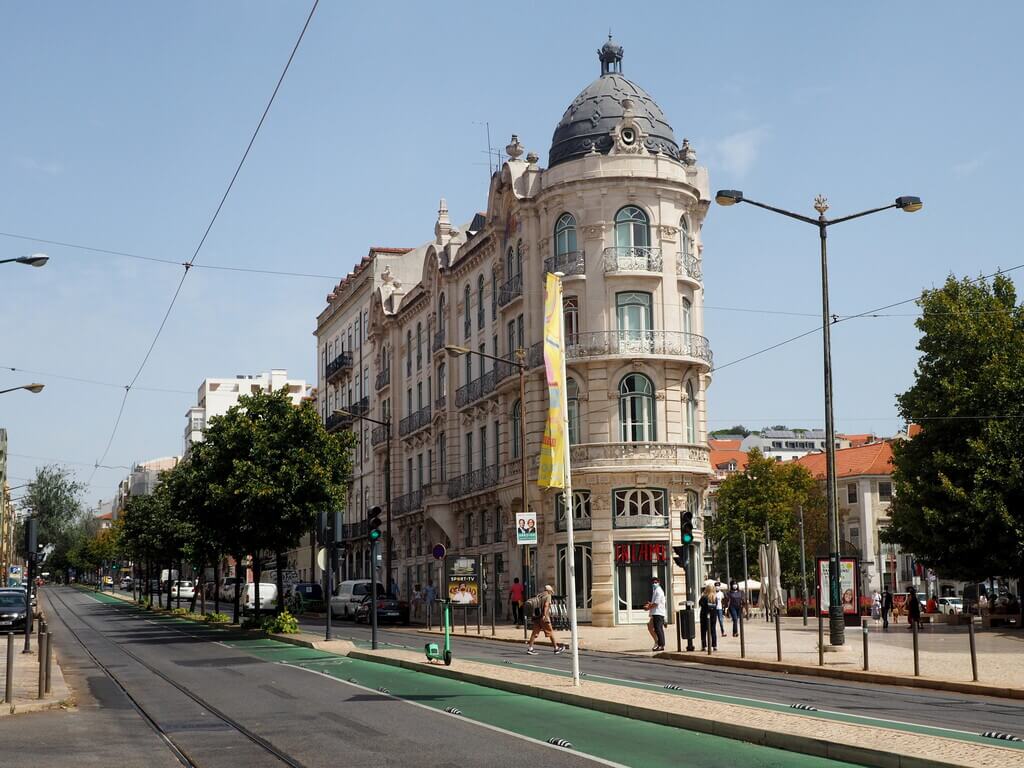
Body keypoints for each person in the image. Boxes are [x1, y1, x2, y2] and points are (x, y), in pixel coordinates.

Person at [525, 584, 564, 656]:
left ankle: (530, 648)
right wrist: (544, 615)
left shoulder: (540, 595)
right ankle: (556, 648)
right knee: (550, 632)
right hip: (543, 617)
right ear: (549, 591)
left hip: (536, 617)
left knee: (534, 633)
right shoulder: (548, 596)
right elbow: (546, 605)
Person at [644, 576, 667, 651]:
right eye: (653, 582)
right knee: (650, 627)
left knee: (658, 629)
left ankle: (661, 644)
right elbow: (655, 603)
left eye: (656, 582)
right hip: (655, 612)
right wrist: (650, 604)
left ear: (659, 583)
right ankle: (657, 642)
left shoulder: (659, 591)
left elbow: (656, 603)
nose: (654, 584)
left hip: (658, 613)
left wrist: (648, 607)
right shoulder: (656, 590)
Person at [698, 585, 717, 651]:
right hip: (713, 616)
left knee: (703, 631)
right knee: (713, 630)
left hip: (704, 615)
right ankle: (714, 645)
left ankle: (704, 646)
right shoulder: (715, 597)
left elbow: (700, 604)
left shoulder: (704, 597)